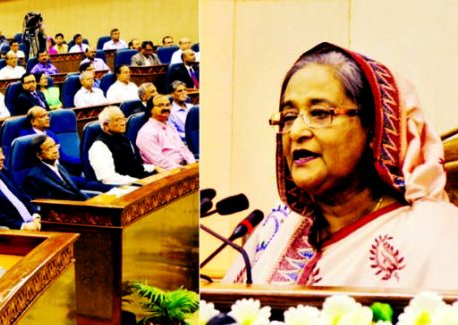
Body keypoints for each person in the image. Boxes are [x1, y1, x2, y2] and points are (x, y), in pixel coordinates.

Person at [224, 42, 458, 289]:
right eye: (289, 117)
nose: (296, 132)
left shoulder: (436, 235)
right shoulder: (280, 224)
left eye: (320, 113)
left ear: (374, 128)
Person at [89, 106, 154, 185]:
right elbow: (108, 178)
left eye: (123, 118)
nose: (123, 123)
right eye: (117, 120)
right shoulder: (99, 146)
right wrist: (137, 181)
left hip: (138, 178)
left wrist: (154, 167)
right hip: (124, 185)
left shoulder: (123, 138)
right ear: (106, 125)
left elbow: (134, 166)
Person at [136, 95, 195, 170]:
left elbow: (182, 149)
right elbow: (159, 161)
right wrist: (182, 169)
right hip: (166, 172)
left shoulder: (170, 127)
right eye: (160, 105)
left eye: (168, 105)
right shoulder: (146, 132)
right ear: (150, 109)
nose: (166, 108)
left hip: (184, 167)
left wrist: (192, 164)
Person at [23, 134, 88, 201]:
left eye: (55, 146)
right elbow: (46, 204)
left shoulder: (59, 167)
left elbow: (75, 191)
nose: (55, 150)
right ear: (39, 155)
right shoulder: (34, 177)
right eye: (49, 148)